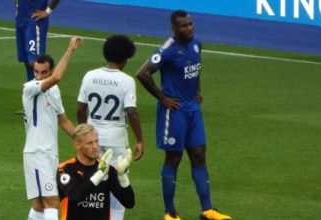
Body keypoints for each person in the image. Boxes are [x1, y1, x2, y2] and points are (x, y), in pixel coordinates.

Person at [135, 10, 232, 220]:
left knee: (199, 155)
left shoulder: (197, 44)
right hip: (174, 111)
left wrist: (197, 90)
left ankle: (207, 210)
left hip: (193, 110)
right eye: (183, 26)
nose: (189, 28)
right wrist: (162, 98)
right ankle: (169, 213)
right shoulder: (167, 50)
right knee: (174, 158)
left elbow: (195, 70)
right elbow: (142, 73)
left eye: (190, 24)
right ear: (174, 29)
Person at [76, 34, 143, 220]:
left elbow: (81, 108)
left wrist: (84, 132)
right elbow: (132, 112)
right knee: (118, 188)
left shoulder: (90, 76)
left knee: (93, 184)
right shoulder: (126, 81)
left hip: (92, 140)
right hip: (116, 141)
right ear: (125, 58)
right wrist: (140, 140)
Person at [22, 36, 82, 220]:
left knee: (40, 204)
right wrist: (70, 49)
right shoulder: (30, 87)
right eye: (36, 72)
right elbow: (57, 77)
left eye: (43, 72)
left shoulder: (54, 91)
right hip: (37, 153)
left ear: (50, 70)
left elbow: (62, 119)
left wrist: (81, 141)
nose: (39, 76)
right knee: (53, 201)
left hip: (49, 154)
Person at [57, 123, 134, 220]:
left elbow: (129, 202)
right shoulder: (65, 169)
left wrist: (123, 177)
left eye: (96, 141)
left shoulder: (107, 170)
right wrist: (98, 176)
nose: (95, 146)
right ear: (77, 145)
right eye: (89, 143)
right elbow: (75, 196)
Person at [14, 0, 61, 81]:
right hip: (21, 20)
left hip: (35, 22)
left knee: (36, 62)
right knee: (27, 61)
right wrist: (19, 6)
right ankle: (31, 88)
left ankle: (47, 88)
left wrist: (47, 11)